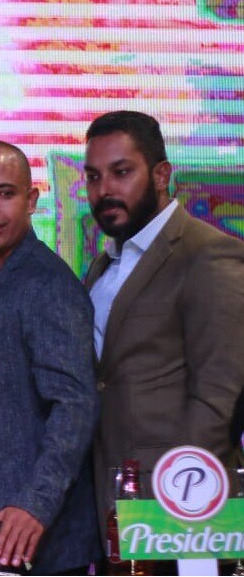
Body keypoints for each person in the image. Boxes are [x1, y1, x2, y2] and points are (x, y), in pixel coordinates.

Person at [0, 140, 101, 573]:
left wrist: (35, 504)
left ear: (31, 200)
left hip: (37, 542)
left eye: (4, 193)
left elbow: (75, 406)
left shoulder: (47, 285)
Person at [82, 111, 244, 508]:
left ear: (161, 175)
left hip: (181, 506)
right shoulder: (102, 266)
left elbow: (220, 396)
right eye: (94, 176)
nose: (104, 190)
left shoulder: (207, 254)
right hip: (111, 495)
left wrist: (175, 496)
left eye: (121, 172)